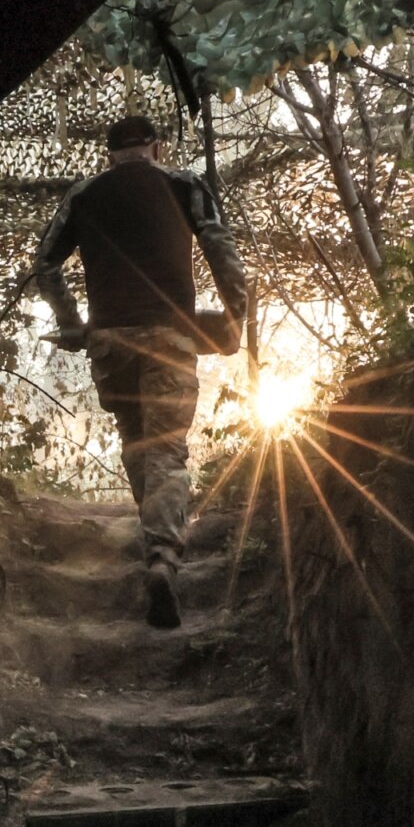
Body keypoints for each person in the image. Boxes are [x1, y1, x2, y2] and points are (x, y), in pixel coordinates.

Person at [33, 113, 248, 629]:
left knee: (135, 441)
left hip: (110, 342)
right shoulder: (184, 183)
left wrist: (71, 322)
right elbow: (219, 246)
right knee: (167, 450)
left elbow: (45, 264)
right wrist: (235, 314)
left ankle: (153, 544)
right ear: (158, 148)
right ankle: (162, 558)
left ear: (110, 155)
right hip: (168, 337)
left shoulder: (83, 194)